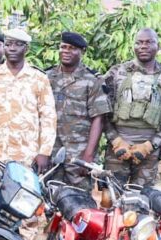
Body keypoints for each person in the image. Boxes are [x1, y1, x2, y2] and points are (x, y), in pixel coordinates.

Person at [103, 28, 161, 200]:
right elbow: (102, 111)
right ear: (133, 45)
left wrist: (150, 145)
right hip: (116, 150)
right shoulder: (116, 72)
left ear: (158, 46)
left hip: (149, 152)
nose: (143, 46)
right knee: (109, 200)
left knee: (141, 202)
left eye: (149, 42)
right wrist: (116, 141)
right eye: (139, 42)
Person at [0, 28, 57, 170]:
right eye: (8, 44)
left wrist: (44, 152)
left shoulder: (39, 78)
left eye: (18, 45)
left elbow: (48, 117)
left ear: (26, 48)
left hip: (28, 156)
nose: (12, 49)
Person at [45, 32, 111, 189]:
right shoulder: (46, 77)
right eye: (63, 47)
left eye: (72, 48)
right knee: (50, 196)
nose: (66, 51)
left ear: (82, 52)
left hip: (79, 152)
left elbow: (99, 119)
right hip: (51, 149)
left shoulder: (92, 80)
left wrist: (88, 156)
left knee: (80, 198)